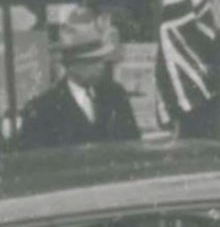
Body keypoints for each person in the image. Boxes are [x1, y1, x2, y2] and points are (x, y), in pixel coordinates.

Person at [17, 9, 141, 150]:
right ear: (71, 65)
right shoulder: (42, 109)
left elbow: (133, 145)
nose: (101, 66)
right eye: (93, 61)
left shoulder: (116, 95)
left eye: (101, 60)